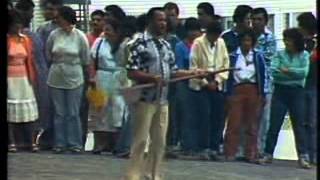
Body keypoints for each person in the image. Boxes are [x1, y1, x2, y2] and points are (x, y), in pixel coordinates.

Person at [123, 7, 198, 180]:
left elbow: (173, 70)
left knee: (159, 142)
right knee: (140, 140)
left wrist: (194, 72)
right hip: (144, 98)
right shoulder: (138, 42)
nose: (163, 24)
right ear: (150, 21)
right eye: (160, 20)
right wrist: (152, 77)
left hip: (162, 99)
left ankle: (153, 175)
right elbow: (131, 72)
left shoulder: (165, 44)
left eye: (165, 20)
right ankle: (133, 175)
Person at [259, 28, 311, 169]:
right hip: (280, 91)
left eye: (289, 39)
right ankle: (268, 153)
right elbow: (274, 71)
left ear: (296, 41)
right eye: (285, 39)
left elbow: (303, 73)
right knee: (275, 123)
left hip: (297, 92)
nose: (286, 42)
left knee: (299, 124)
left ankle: (303, 156)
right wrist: (291, 73)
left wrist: (287, 71)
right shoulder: (280, 54)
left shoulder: (304, 55)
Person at [46, 6, 90, 153]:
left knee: (73, 112)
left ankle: (75, 143)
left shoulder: (80, 36)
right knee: (59, 112)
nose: (56, 19)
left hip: (74, 75)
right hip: (56, 74)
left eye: (59, 17)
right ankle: (59, 143)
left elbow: (85, 59)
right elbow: (48, 54)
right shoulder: (54, 34)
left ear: (67, 18)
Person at [189, 21, 229, 161]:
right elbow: (193, 66)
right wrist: (206, 82)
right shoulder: (198, 43)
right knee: (204, 117)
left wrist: (217, 81)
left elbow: (226, 64)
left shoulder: (221, 43)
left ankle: (214, 147)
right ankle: (203, 148)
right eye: (213, 36)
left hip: (217, 82)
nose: (215, 39)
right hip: (201, 83)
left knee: (218, 117)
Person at [224, 29, 266, 163]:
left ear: (253, 43)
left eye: (249, 41)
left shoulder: (258, 56)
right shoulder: (233, 56)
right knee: (234, 123)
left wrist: (262, 94)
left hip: (253, 89)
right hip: (237, 89)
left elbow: (262, 76)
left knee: (251, 123)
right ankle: (230, 152)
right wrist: (228, 94)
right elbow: (229, 76)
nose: (246, 43)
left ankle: (250, 153)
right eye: (244, 40)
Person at [88, 18, 127, 154]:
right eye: (105, 29)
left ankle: (116, 144)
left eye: (109, 29)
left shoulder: (123, 44)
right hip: (102, 76)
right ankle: (99, 144)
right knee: (99, 109)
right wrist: (92, 77)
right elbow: (92, 60)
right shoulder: (99, 42)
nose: (106, 32)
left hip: (118, 77)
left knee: (117, 109)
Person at [15, 0, 49, 151]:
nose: (31, 15)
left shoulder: (33, 34)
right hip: (21, 75)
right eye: (30, 12)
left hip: (38, 74)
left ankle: (32, 138)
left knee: (37, 107)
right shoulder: (20, 37)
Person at [7, 9, 39, 152]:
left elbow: (30, 60)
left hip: (24, 77)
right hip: (10, 78)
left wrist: (33, 78)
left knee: (28, 110)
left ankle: (31, 141)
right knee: (11, 110)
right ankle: (12, 141)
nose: (17, 27)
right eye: (15, 24)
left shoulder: (25, 39)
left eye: (19, 24)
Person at [36, 0, 62, 150]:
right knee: (48, 107)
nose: (51, 12)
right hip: (47, 70)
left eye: (54, 9)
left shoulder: (68, 29)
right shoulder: (44, 28)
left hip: (62, 71)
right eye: (48, 9)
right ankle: (46, 139)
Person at [174, 17, 202, 157]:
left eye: (196, 30)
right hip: (184, 83)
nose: (194, 33)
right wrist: (191, 73)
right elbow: (178, 68)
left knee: (198, 115)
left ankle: (197, 145)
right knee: (186, 115)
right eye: (191, 30)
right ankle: (185, 144)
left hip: (200, 84)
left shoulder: (201, 45)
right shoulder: (180, 46)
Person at [251, 7, 277, 157]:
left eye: (259, 19)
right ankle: (246, 149)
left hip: (265, 84)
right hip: (249, 82)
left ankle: (260, 149)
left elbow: (269, 60)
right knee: (248, 117)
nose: (256, 22)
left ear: (265, 21)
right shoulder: (247, 36)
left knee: (263, 119)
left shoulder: (270, 38)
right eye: (254, 19)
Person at [80, 9, 105, 149]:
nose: (95, 22)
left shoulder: (106, 39)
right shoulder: (86, 38)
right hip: (86, 80)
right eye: (93, 20)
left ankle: (99, 143)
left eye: (98, 20)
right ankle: (81, 142)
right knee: (84, 112)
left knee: (99, 111)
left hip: (101, 81)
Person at [297, 12, 317, 165]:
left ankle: (313, 154)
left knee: (313, 121)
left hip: (313, 85)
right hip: (301, 85)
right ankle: (304, 153)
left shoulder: (315, 43)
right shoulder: (299, 44)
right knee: (302, 121)